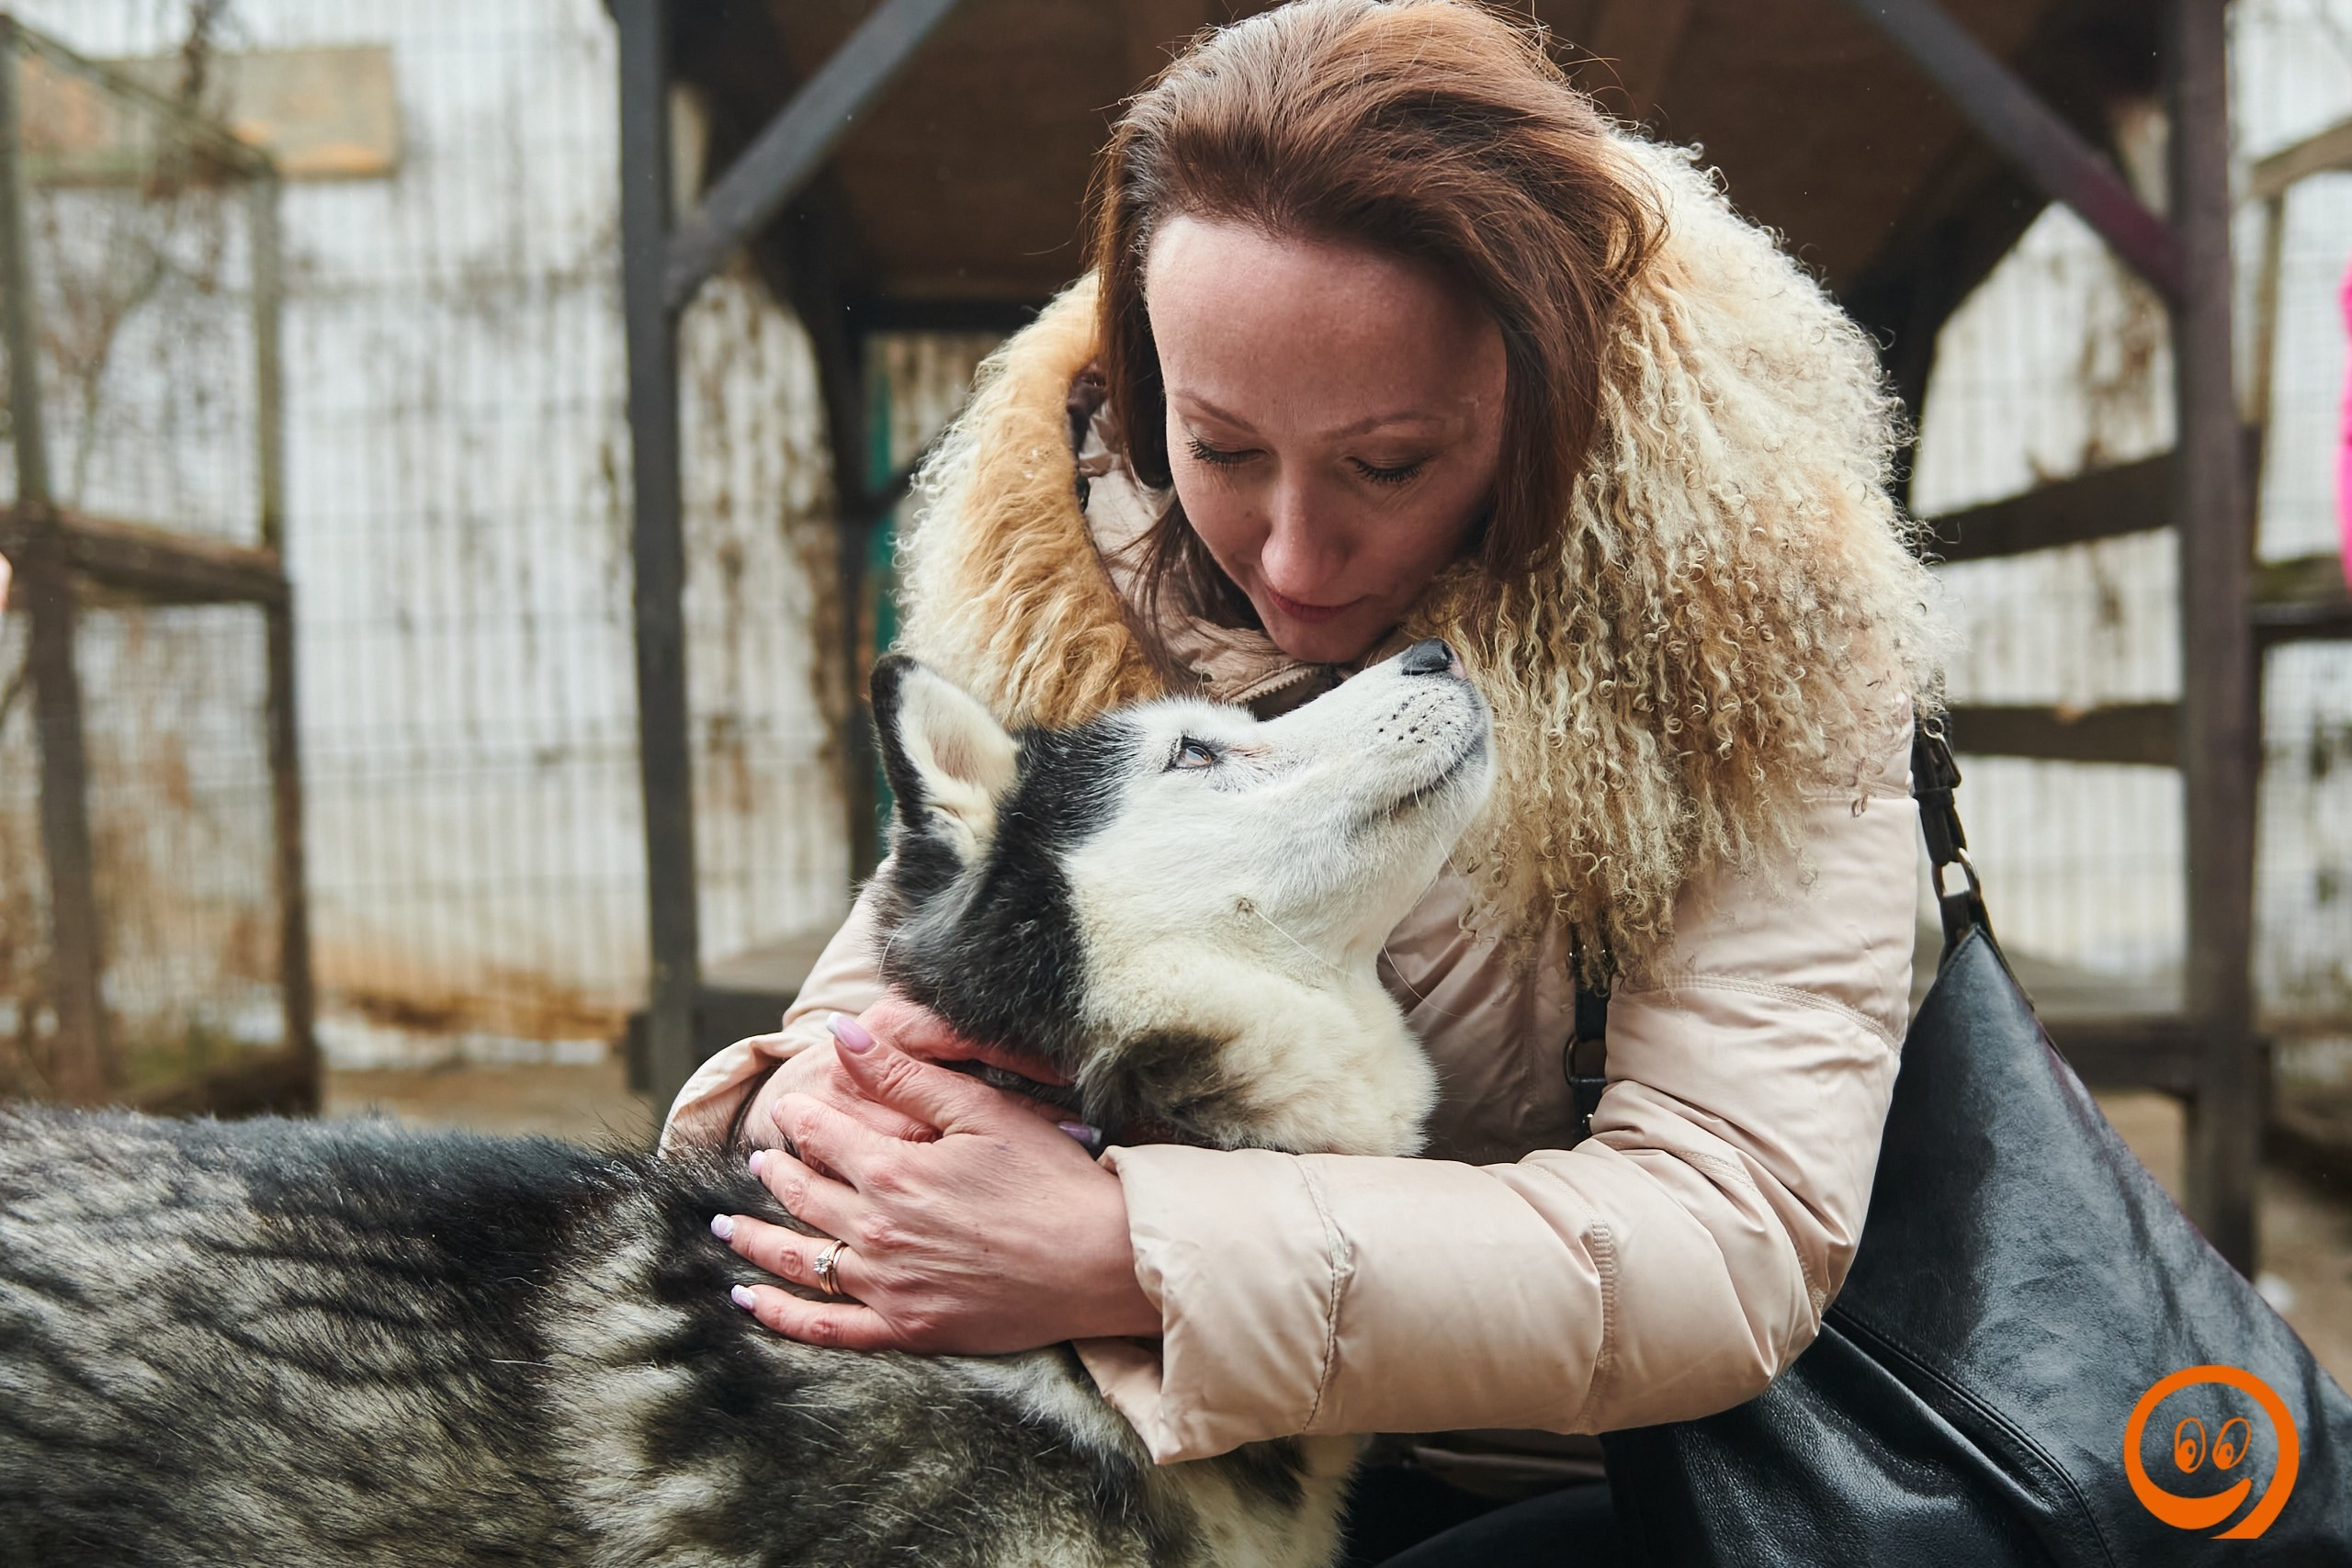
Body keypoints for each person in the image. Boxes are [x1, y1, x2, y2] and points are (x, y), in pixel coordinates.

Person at [663, 1, 1942, 1559]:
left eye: (1387, 463)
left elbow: (1725, 1234)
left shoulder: (1749, 632)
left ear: (1552, 387)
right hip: (1181, 1450)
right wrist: (802, 1118)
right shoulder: (1061, 577)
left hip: (1616, 1473)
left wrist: (1129, 1252)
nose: (1286, 555)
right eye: (1219, 446)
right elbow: (873, 1017)